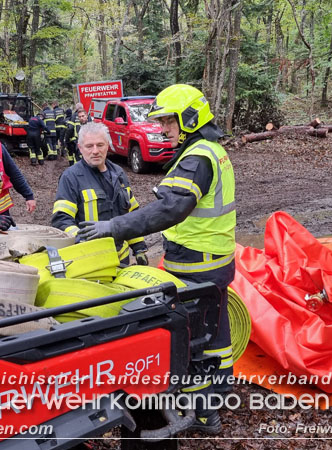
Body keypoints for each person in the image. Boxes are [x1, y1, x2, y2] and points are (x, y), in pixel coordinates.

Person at [76, 84, 235, 434]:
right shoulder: (210, 149)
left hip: (197, 265)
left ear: (190, 119)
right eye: (161, 122)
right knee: (215, 332)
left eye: (168, 121)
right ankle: (221, 390)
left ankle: (204, 415)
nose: (163, 129)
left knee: (191, 342)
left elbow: (170, 209)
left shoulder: (197, 158)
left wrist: (113, 227)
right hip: (213, 260)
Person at [52, 121, 147, 264]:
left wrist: (139, 247)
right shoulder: (71, 177)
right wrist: (82, 240)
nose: (95, 151)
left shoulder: (119, 173)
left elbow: (131, 214)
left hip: (121, 257)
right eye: (89, 146)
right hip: (91, 261)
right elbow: (61, 220)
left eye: (100, 145)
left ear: (107, 145)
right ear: (80, 148)